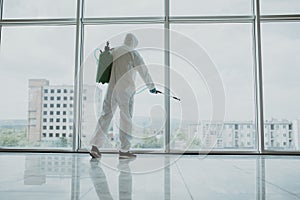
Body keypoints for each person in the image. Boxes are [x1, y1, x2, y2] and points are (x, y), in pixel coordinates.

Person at [90, 33, 157, 159]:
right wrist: (151, 87)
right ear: (133, 43)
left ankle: (95, 147)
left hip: (111, 89)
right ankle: (124, 151)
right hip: (126, 90)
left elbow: (102, 64)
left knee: (105, 116)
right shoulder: (133, 53)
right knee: (125, 119)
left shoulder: (114, 51)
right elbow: (144, 71)